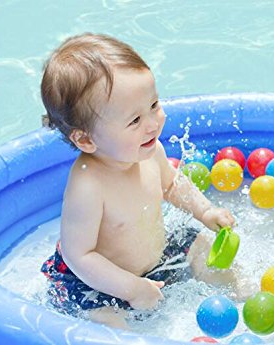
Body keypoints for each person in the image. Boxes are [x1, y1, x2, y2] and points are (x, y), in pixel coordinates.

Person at [39, 33, 250, 329]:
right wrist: (131, 288)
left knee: (198, 244)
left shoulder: (150, 152)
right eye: (134, 120)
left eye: (153, 104)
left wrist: (205, 212)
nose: (153, 123)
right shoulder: (88, 185)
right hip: (99, 283)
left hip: (156, 260)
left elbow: (172, 184)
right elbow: (79, 256)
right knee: (107, 322)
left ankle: (241, 293)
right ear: (86, 138)